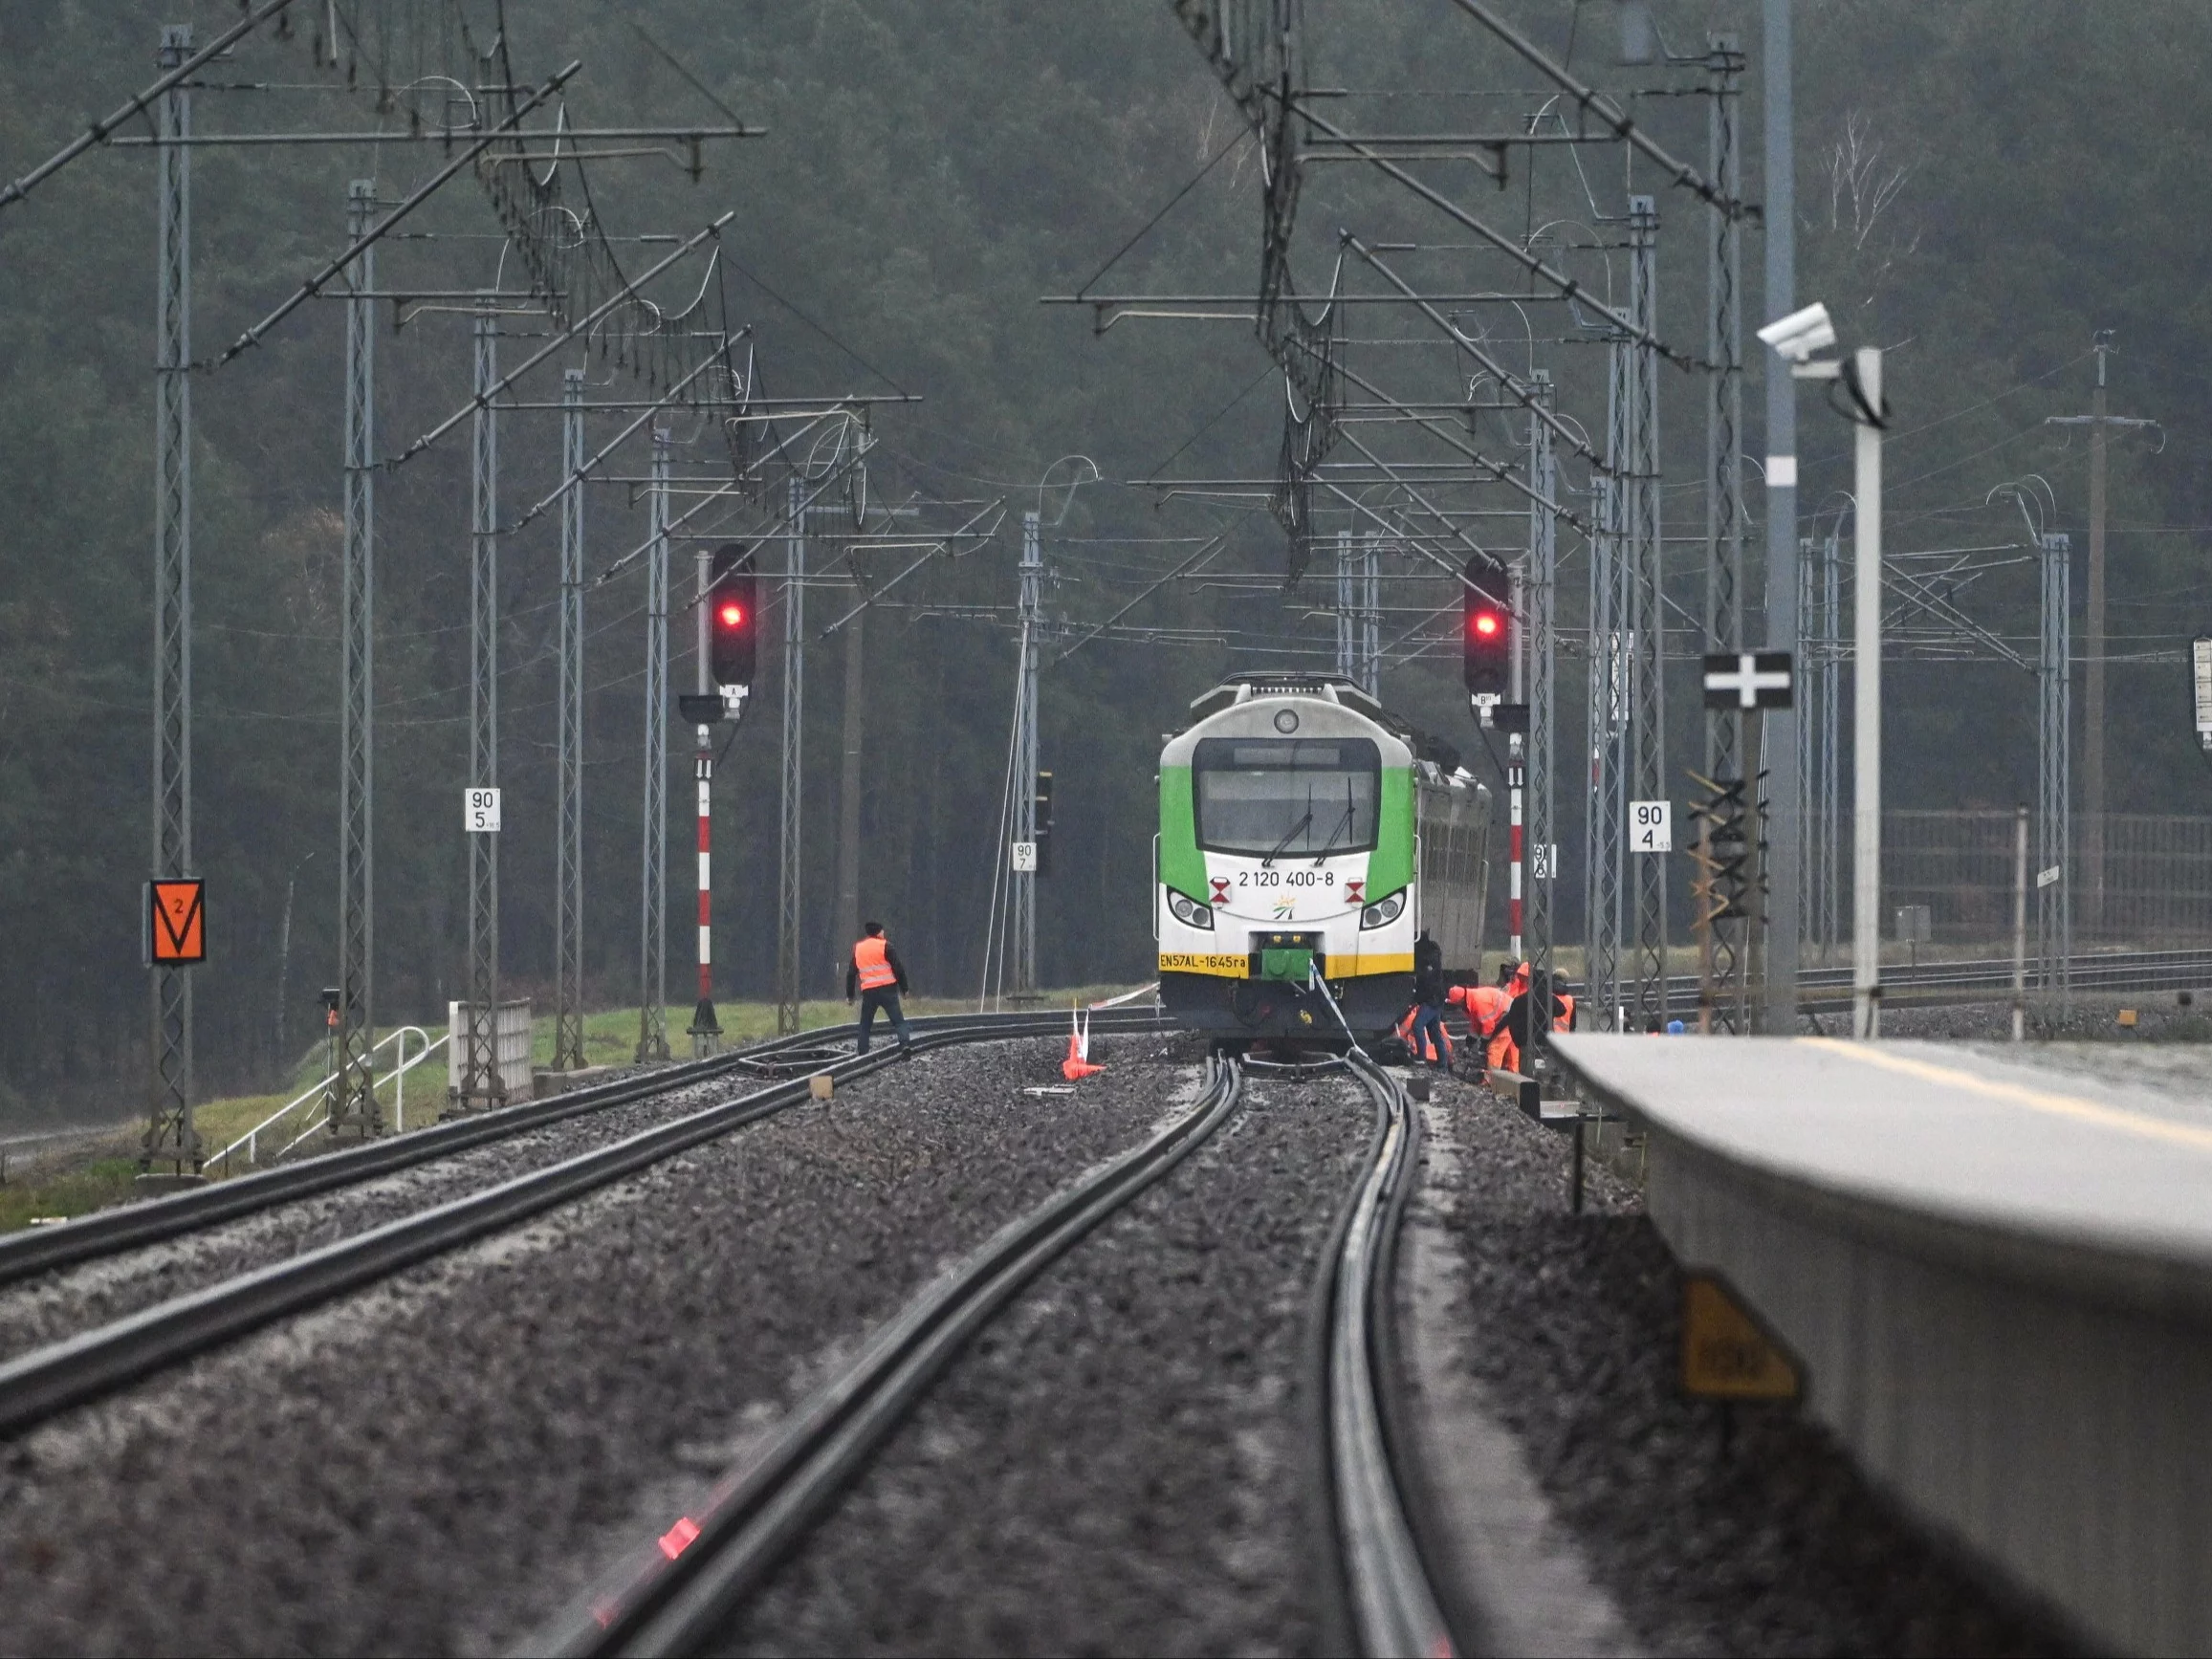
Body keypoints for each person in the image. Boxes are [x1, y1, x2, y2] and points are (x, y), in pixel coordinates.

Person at [846, 921, 914, 1057]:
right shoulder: (886, 946)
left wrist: (850, 996)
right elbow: (898, 969)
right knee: (898, 1021)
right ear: (879, 932)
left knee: (865, 1024)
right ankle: (905, 1044)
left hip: (869, 992)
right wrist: (904, 989)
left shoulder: (859, 949)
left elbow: (851, 974)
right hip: (888, 990)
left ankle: (862, 1052)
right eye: (882, 931)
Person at [1408, 930, 1450, 1070]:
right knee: (1435, 1031)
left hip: (1432, 1000)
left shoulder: (1427, 960)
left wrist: (1416, 998)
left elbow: (1426, 982)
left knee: (1417, 1025)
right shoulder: (1432, 956)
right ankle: (1442, 1064)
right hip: (1436, 998)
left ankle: (1422, 1058)